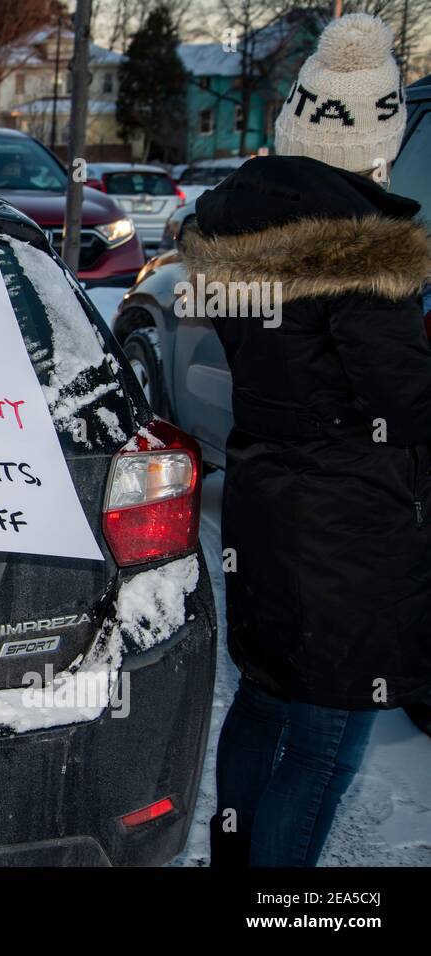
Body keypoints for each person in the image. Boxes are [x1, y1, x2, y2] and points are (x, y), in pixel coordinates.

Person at [184, 13, 431, 866]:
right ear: (378, 134)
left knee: (264, 702)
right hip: (346, 526)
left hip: (265, 498)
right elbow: (402, 401)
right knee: (328, 743)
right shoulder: (367, 250)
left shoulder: (232, 224)